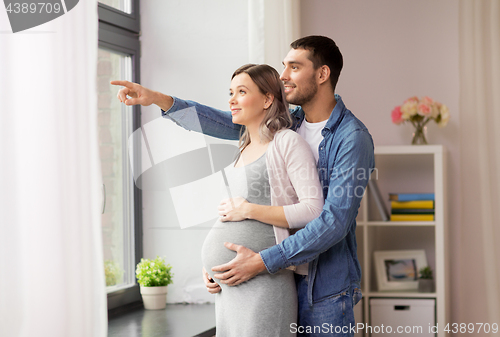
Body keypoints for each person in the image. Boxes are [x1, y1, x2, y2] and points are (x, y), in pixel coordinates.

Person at [112, 35, 375, 337]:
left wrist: (263, 261)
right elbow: (224, 121)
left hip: (322, 287)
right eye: (283, 67)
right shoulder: (291, 123)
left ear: (322, 74)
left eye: (294, 67)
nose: (283, 76)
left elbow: (334, 221)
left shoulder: (351, 138)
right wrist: (159, 99)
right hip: (276, 277)